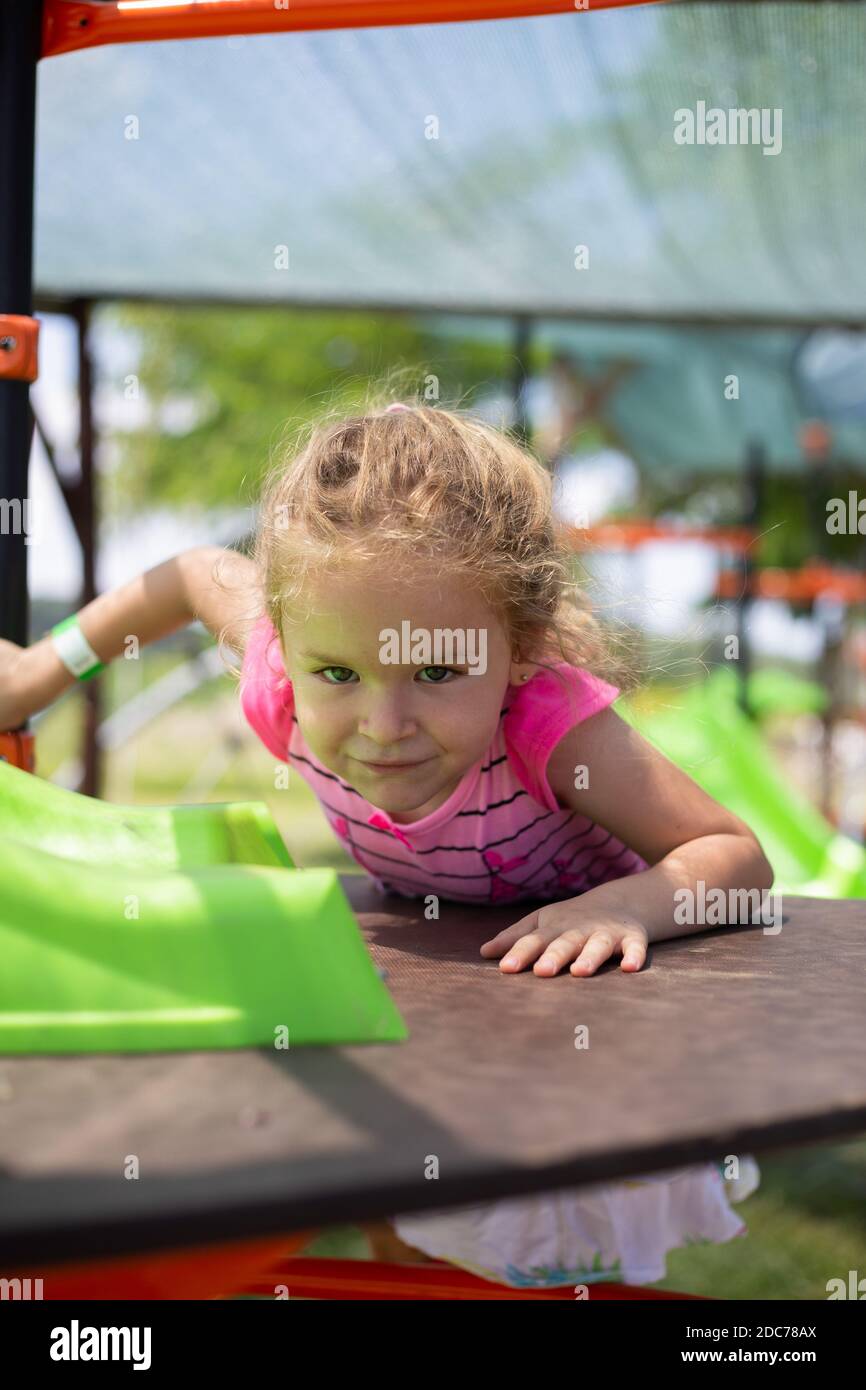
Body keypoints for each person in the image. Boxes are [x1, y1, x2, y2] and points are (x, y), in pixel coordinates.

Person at [0, 394, 767, 1288]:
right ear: (283, 645)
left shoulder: (553, 727)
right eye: (339, 674)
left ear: (517, 648)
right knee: (407, 1197)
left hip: (581, 1033)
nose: (383, 723)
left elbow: (735, 856)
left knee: (538, 1260)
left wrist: (624, 905)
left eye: (436, 671)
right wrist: (36, 671)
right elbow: (191, 574)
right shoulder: (282, 680)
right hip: (447, 998)